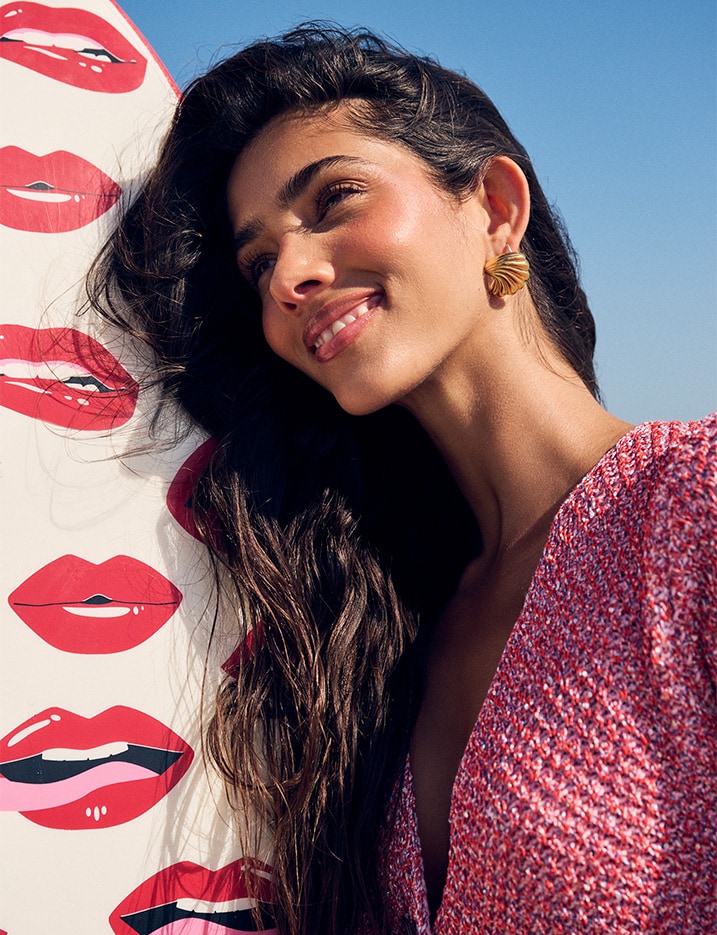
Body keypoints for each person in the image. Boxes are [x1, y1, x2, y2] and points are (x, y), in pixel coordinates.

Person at [88, 25, 717, 935]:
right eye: (257, 262)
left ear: (494, 207)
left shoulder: (690, 503)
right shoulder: (388, 616)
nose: (289, 278)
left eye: (335, 198)